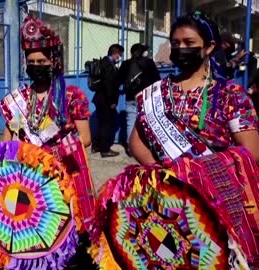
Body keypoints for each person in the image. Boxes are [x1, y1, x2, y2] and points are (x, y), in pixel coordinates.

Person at [124, 11, 259, 267]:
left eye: (189, 43)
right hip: (168, 203)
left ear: (209, 47)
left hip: (217, 206)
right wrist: (163, 174)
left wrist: (197, 172)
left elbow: (251, 152)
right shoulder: (156, 93)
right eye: (175, 44)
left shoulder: (229, 94)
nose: (180, 49)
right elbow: (137, 141)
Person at [0, 16, 94, 269]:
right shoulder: (18, 101)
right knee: (29, 232)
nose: (36, 65)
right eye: (31, 62)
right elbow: (7, 141)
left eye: (41, 61)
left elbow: (85, 137)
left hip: (61, 178)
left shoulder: (72, 95)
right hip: (27, 180)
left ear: (54, 61)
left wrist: (45, 154)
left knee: (61, 233)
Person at [118, 43, 160, 155]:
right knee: (148, 122)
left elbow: (119, 79)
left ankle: (130, 147)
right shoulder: (149, 63)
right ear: (143, 52)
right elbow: (157, 80)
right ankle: (147, 145)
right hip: (146, 97)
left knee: (130, 122)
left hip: (130, 97)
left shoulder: (126, 63)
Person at [91, 44, 124, 157]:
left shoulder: (103, 62)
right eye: (120, 54)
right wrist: (112, 102)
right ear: (115, 53)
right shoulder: (108, 65)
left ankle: (96, 146)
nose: (120, 57)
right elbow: (108, 84)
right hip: (106, 100)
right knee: (106, 124)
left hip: (100, 98)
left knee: (101, 123)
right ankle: (105, 150)